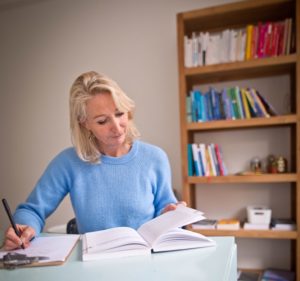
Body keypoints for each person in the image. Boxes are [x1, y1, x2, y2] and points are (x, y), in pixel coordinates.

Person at [4, 71, 183, 250]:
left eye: (120, 113)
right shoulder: (68, 163)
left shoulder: (155, 158)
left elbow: (165, 207)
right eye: (102, 121)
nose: (116, 127)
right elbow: (31, 210)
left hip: (146, 264)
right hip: (93, 266)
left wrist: (172, 215)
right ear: (84, 123)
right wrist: (24, 227)